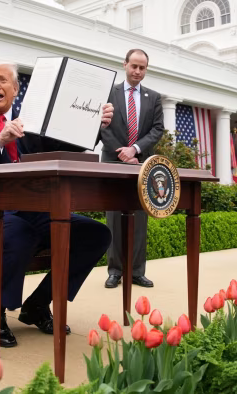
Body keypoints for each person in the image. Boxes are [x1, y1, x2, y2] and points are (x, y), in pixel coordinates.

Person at [0, 61, 114, 347]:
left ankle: (37, 304)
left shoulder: (32, 122)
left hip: (31, 210)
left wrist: (95, 123)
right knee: (19, 233)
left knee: (96, 234)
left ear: (16, 89)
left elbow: (65, 145)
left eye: (4, 80)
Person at [98, 49, 164, 289]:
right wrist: (122, 152)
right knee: (114, 217)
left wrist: (134, 149)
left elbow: (157, 129)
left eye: (142, 68)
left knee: (139, 216)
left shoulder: (153, 97)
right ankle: (115, 271)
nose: (137, 71)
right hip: (113, 161)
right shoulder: (108, 92)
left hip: (141, 164)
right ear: (124, 64)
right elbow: (102, 127)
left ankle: (137, 271)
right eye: (134, 66)